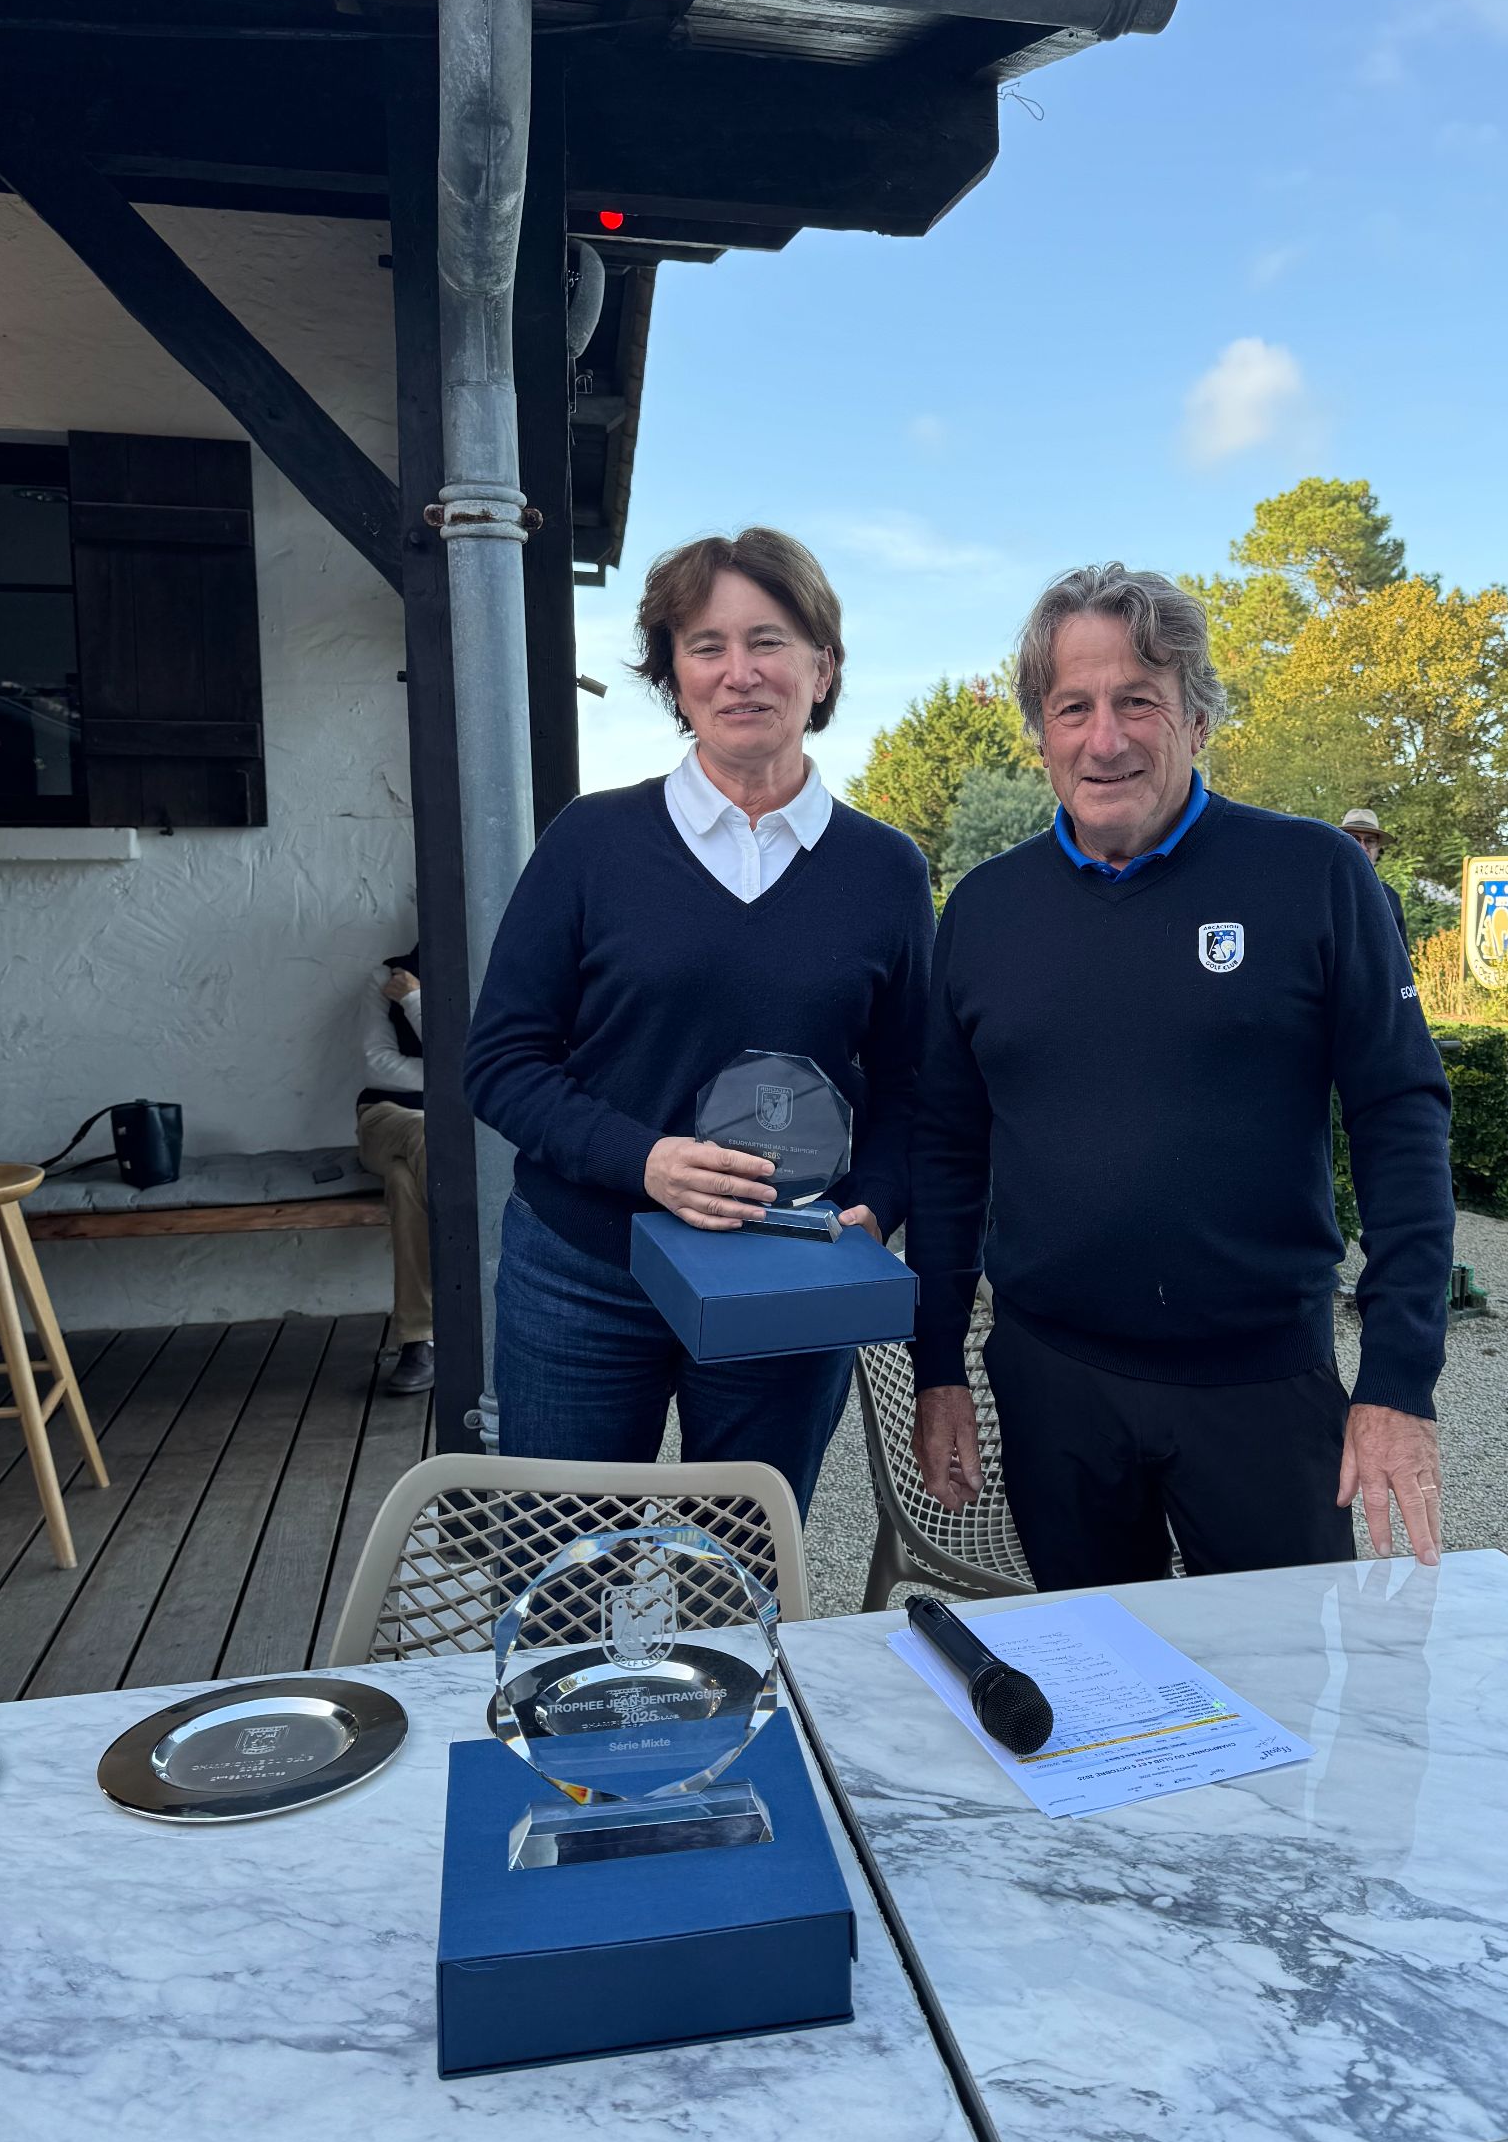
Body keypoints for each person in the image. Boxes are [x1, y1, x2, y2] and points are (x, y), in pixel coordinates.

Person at [908, 562, 1453, 1588]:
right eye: (1073, 708)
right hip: (1051, 1385)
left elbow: (1400, 1117)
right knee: (1095, 1672)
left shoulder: (1314, 877)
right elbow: (945, 1148)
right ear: (1040, 733)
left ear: (1198, 721)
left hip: (1262, 1383)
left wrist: (1397, 1379)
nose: (1104, 738)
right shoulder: (984, 910)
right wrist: (938, 1367)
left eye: (1138, 702)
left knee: (1285, 1675)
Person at [464, 527, 933, 1511]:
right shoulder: (591, 842)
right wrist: (645, 1161)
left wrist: (878, 1203)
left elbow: (913, 1082)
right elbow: (501, 1062)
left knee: (745, 1568)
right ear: (673, 676)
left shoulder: (885, 870)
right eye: (706, 645)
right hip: (584, 1272)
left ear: (823, 667)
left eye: (768, 641)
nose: (738, 672)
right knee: (564, 1573)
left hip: (786, 1270)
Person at [356, 943, 434, 1395]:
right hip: (385, 1117)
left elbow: (476, 1057)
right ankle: (473, 1298)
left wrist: (415, 1002)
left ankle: (420, 1339)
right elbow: (376, 1064)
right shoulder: (385, 976)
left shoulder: (487, 971)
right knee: (426, 1132)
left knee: (405, 1183)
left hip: (445, 1132)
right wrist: (455, 1073)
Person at [1340, 805, 1409, 946]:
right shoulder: (1324, 890)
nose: (1362, 846)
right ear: (1341, 844)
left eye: (1370, 841)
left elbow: (1400, 953)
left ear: (1378, 848)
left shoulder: (1390, 896)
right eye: (1354, 839)